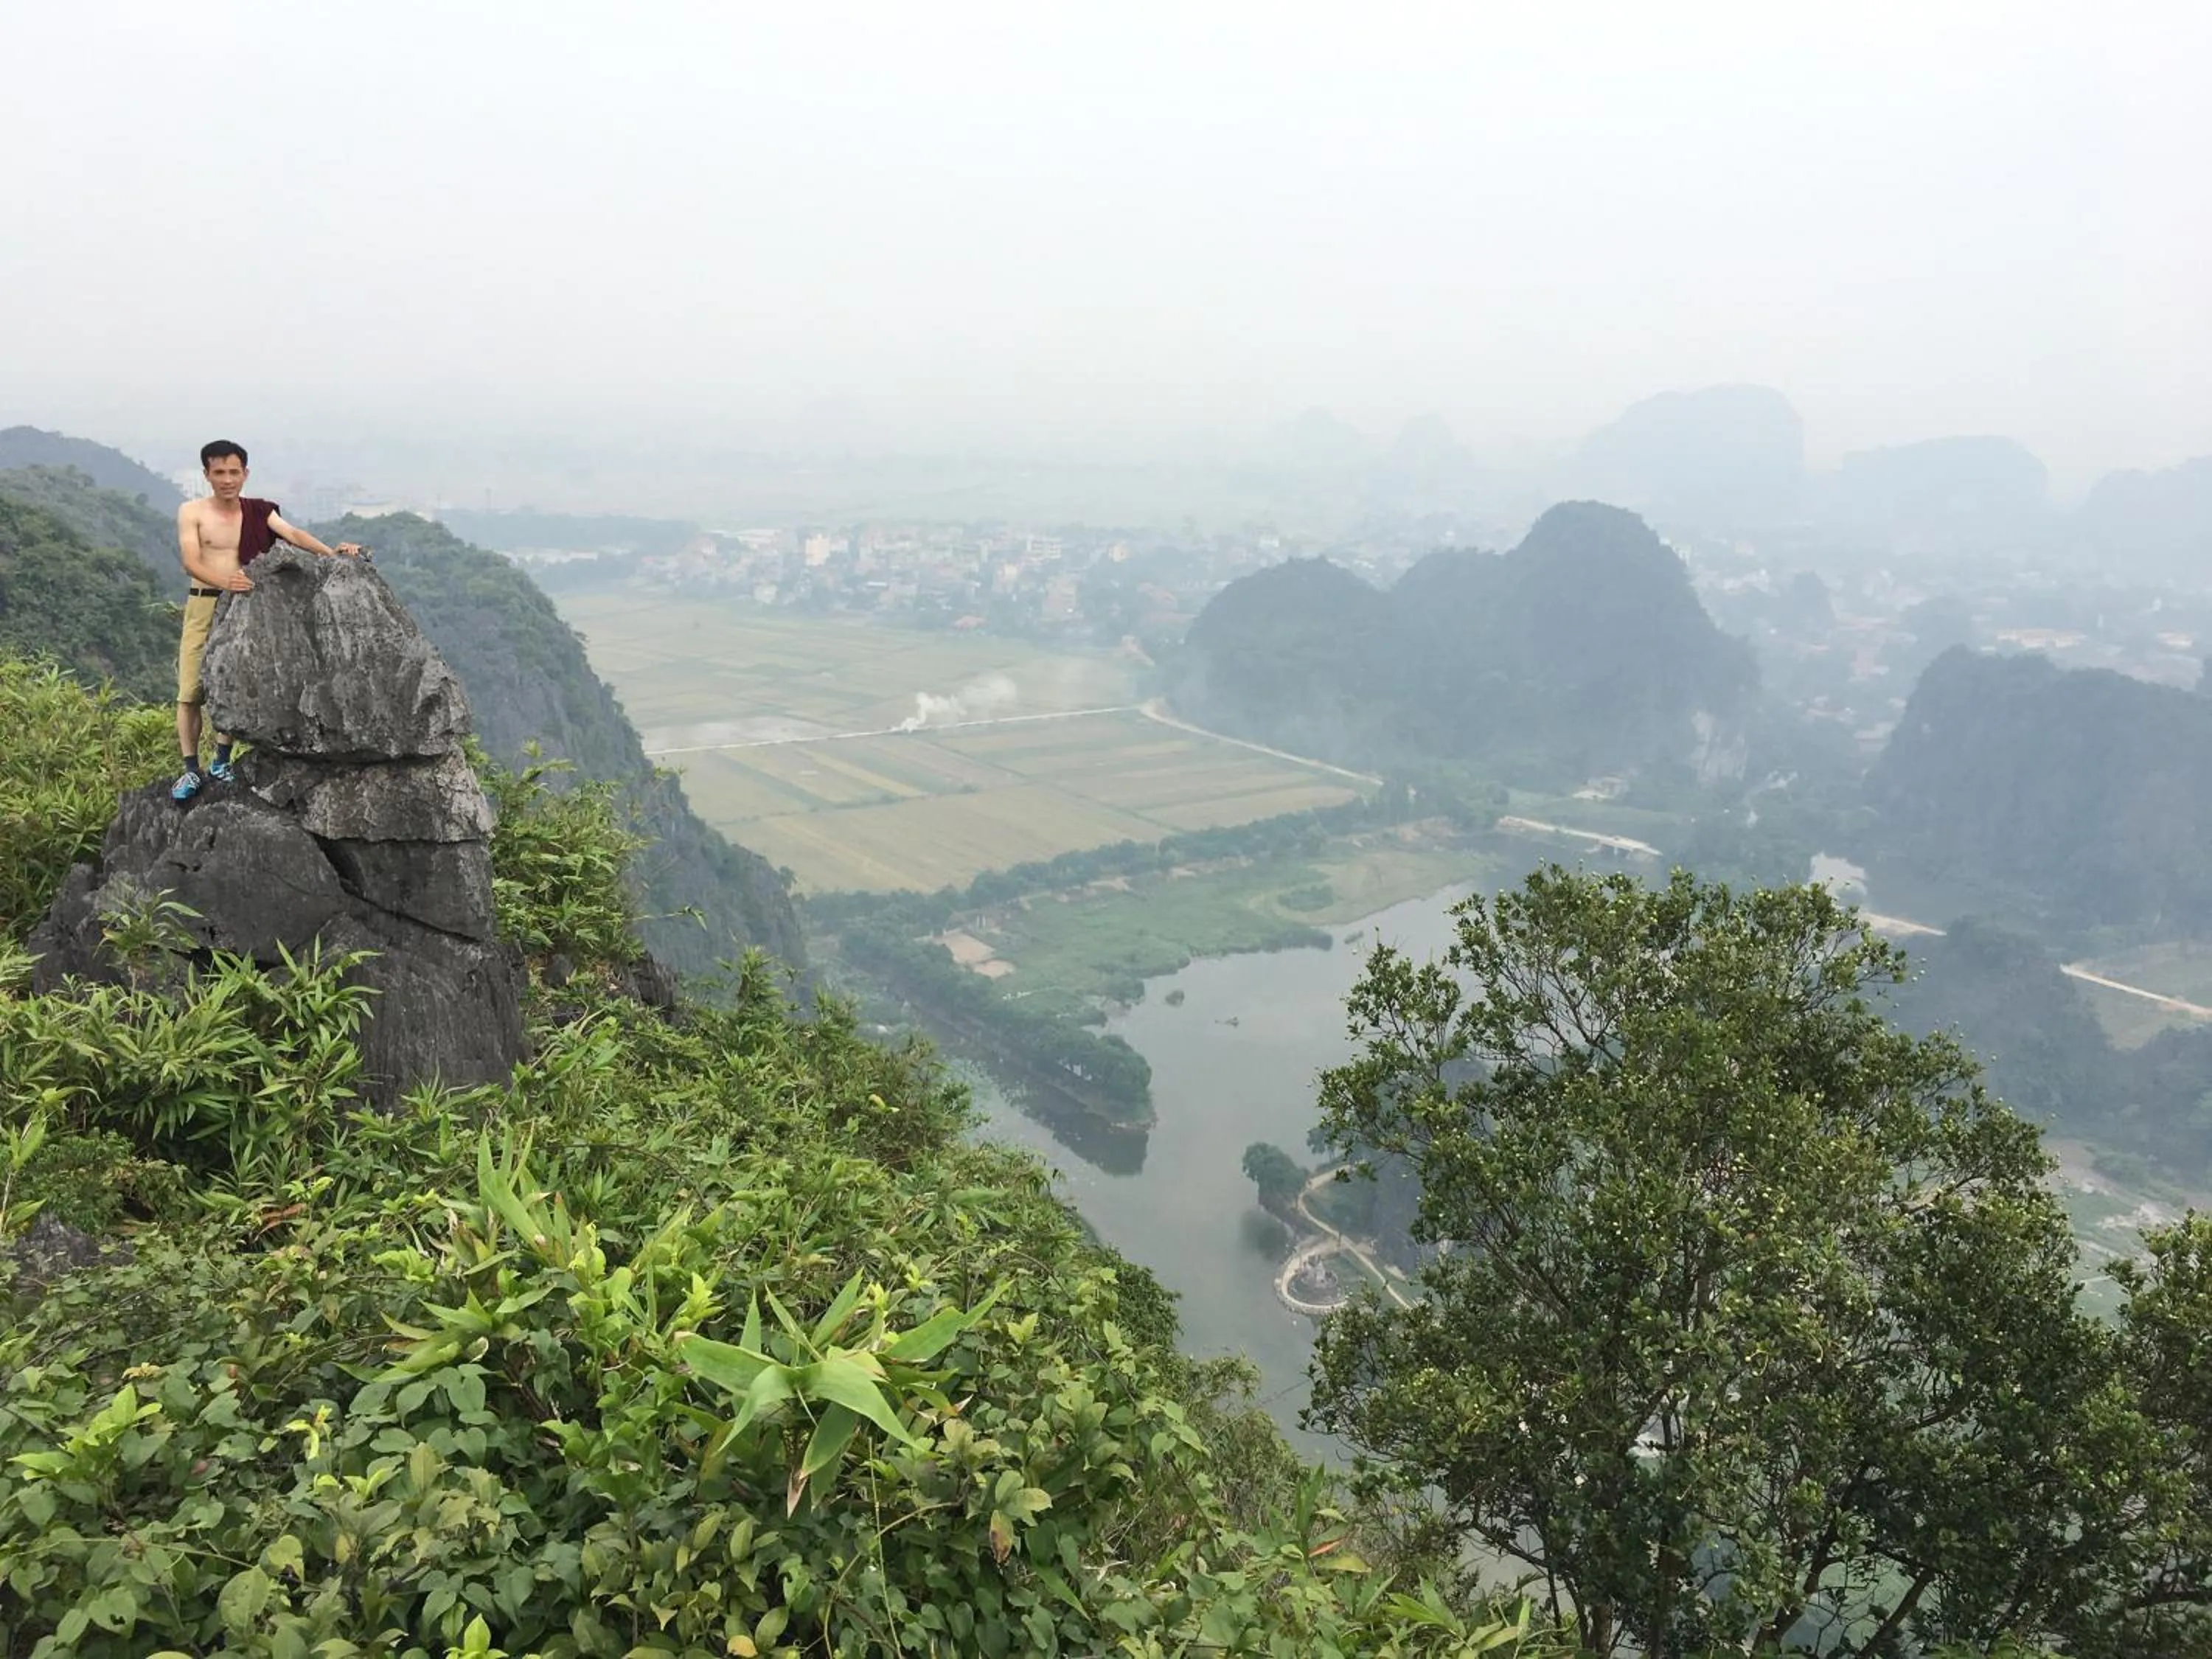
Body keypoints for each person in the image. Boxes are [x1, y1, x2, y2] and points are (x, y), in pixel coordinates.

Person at [173, 439, 366, 801]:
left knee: (234, 679)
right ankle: (189, 770)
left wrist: (332, 553)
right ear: (207, 475)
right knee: (190, 691)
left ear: (245, 473)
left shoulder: (258, 511)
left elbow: (292, 534)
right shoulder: (192, 512)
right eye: (219, 473)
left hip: (244, 603)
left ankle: (220, 760)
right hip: (205, 601)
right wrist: (223, 581)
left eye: (234, 472)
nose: (227, 480)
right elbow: (191, 560)